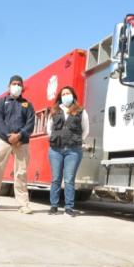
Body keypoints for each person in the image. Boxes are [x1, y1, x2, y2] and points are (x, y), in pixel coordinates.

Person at [0, 75, 35, 214]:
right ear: (9, 86)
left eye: (19, 84)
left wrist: (20, 136)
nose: (16, 86)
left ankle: (23, 205)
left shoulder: (27, 104)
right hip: (3, 140)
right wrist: (8, 136)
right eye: (14, 84)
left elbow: (30, 124)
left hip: (21, 141)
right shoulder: (1, 102)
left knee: (21, 173)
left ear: (22, 87)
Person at [47, 86, 89, 216]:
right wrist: (56, 138)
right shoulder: (54, 110)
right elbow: (49, 129)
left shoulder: (81, 111)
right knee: (56, 179)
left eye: (68, 93)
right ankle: (54, 206)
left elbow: (86, 130)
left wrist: (76, 140)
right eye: (63, 94)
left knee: (69, 179)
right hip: (56, 150)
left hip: (73, 150)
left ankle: (69, 208)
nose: (66, 96)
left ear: (73, 95)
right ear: (60, 97)